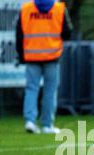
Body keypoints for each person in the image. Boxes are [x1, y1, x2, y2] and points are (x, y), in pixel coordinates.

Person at [16, 0, 73, 134]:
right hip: (52, 56)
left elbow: (19, 34)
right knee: (50, 91)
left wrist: (21, 55)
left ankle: (30, 121)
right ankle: (47, 124)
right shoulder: (59, 8)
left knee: (31, 89)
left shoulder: (26, 8)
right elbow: (68, 32)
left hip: (31, 56)